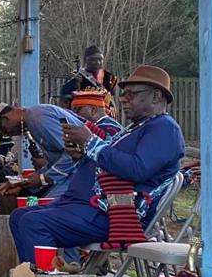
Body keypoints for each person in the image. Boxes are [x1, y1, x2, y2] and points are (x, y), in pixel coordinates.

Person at [10, 65, 185, 262]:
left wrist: (90, 143)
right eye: (124, 94)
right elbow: (110, 164)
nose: (123, 99)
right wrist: (80, 156)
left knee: (34, 223)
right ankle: (38, 275)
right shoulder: (137, 128)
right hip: (88, 205)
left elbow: (137, 169)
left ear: (156, 96)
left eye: (131, 94)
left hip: (111, 214)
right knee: (18, 217)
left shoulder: (164, 129)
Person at [0, 100, 85, 198]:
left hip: (83, 172)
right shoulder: (33, 119)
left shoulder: (39, 119)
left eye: (4, 130)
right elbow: (56, 162)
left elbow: (74, 153)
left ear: (6, 119)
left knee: (48, 206)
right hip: (72, 173)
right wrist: (24, 183)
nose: (10, 134)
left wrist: (43, 179)